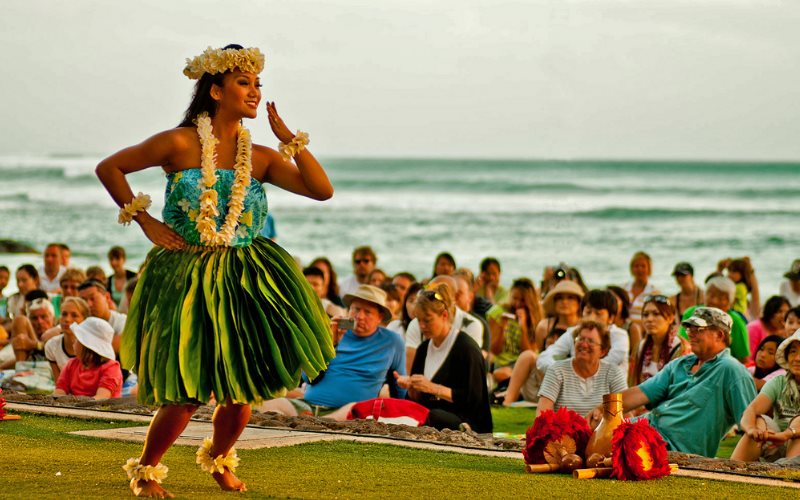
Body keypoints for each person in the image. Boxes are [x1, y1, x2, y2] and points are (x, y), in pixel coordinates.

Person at [95, 44, 335, 497]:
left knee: (241, 390)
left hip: (248, 275)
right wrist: (145, 220)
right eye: (243, 82)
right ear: (216, 90)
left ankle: (219, 459)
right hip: (186, 276)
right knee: (186, 391)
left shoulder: (260, 156)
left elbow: (321, 190)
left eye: (257, 83)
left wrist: (291, 141)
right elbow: (110, 167)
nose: (254, 91)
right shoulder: (179, 142)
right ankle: (146, 470)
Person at [605, 307, 756, 457]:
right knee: (597, 432)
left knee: (604, 446)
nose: (691, 334)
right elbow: (640, 393)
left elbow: (751, 423)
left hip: (669, 449)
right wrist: (603, 410)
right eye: (689, 329)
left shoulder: (731, 370)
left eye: (698, 329)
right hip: (644, 431)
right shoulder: (680, 364)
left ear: (719, 335)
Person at [259, 285, 405, 419]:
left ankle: (317, 421)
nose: (359, 316)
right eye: (355, 309)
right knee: (266, 405)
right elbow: (309, 377)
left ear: (379, 317)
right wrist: (331, 343)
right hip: (309, 405)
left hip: (350, 410)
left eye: (367, 312)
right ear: (348, 310)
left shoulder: (392, 341)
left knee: (344, 413)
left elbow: (399, 385)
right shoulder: (331, 332)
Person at [394, 284, 492, 433]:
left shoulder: (467, 349)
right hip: (431, 416)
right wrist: (411, 386)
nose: (422, 326)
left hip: (467, 421)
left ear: (444, 315)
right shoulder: (423, 349)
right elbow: (417, 399)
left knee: (436, 416)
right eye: (419, 321)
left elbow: (474, 400)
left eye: (427, 320)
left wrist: (433, 388)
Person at [500, 280, 583, 406]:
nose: (564, 302)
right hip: (543, 379)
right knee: (528, 355)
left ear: (578, 303)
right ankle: (507, 402)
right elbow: (541, 354)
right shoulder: (545, 326)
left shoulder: (583, 328)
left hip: (572, 383)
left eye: (570, 298)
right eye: (560, 298)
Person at [731, 330, 800, 462]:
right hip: (775, 443)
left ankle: (789, 475)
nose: (797, 358)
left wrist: (788, 434)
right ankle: (733, 471)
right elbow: (751, 410)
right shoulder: (779, 382)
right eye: (793, 351)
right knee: (758, 420)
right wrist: (752, 430)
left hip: (795, 446)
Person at [536, 320, 627, 420]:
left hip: (602, 433)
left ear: (602, 351)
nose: (584, 344)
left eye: (591, 341)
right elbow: (542, 415)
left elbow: (626, 412)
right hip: (564, 433)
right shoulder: (557, 370)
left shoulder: (613, 372)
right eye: (580, 339)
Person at [537, 289, 631, 376]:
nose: (592, 317)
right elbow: (544, 357)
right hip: (578, 390)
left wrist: (579, 371)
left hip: (612, 391)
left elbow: (612, 361)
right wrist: (562, 371)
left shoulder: (619, 336)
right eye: (588, 312)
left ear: (611, 318)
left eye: (598, 313)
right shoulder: (573, 332)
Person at [404, 276, 486, 373]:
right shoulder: (417, 324)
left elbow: (468, 372)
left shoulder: (471, 325)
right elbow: (410, 371)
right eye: (429, 291)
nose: (422, 325)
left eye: (427, 320)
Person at [679, 276, 750, 362]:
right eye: (711, 295)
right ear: (704, 295)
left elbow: (743, 359)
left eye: (722, 298)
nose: (715, 301)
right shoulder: (691, 313)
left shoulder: (736, 322)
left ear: (731, 302)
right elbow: (683, 345)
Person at [487, 278, 544, 385]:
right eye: (514, 298)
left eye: (522, 300)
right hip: (503, 365)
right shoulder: (498, 312)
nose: (517, 304)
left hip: (526, 365)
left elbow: (528, 354)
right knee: (502, 374)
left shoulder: (535, 317)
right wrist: (502, 328)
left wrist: (523, 327)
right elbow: (495, 350)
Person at [53, 317, 122, 400]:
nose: (73, 341)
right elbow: (59, 392)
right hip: (77, 408)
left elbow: (102, 398)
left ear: (86, 346)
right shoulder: (71, 365)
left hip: (103, 410)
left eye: (77, 339)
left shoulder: (111, 368)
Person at [630, 295, 691, 386]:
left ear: (670, 318)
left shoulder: (681, 348)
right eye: (645, 315)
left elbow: (681, 388)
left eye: (656, 314)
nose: (649, 319)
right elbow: (632, 382)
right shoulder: (640, 347)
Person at [43, 297, 90, 382]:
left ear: (85, 320)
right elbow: (59, 383)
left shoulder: (91, 347)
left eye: (74, 315)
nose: (67, 319)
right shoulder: (51, 346)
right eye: (64, 314)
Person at [78, 280, 127, 352]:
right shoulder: (80, 322)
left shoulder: (122, 322)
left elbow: (114, 348)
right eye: (84, 300)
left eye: (92, 298)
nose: (88, 304)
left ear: (107, 297)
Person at [747, 296, 791, 363]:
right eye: (779, 311)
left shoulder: (784, 331)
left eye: (786, 312)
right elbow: (747, 359)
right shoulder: (754, 328)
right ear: (770, 311)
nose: (783, 316)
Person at [622, 251, 660, 322]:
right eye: (636, 266)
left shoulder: (654, 292)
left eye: (643, 266)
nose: (640, 269)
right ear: (632, 269)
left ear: (649, 269)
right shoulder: (624, 289)